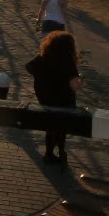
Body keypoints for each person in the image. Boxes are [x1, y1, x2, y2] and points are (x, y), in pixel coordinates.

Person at [25, 31, 82, 166]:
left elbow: (28, 67)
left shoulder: (43, 57)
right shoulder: (68, 63)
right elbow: (75, 87)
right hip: (64, 101)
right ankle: (60, 151)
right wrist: (80, 79)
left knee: (51, 125)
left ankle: (50, 153)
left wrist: (39, 77)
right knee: (61, 126)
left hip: (45, 99)